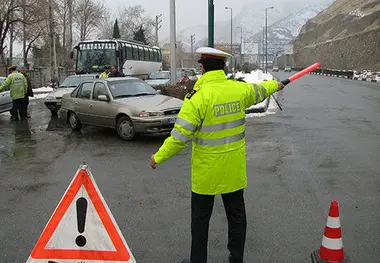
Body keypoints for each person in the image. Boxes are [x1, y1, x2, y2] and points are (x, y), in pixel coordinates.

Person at [149, 47, 285, 263]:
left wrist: (159, 156)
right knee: (237, 217)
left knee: (201, 221)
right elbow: (259, 90)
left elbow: (180, 136)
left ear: (202, 68)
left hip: (206, 175)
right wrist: (275, 85)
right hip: (233, 171)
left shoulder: (197, 98)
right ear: (223, 67)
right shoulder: (238, 90)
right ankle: (236, 258)